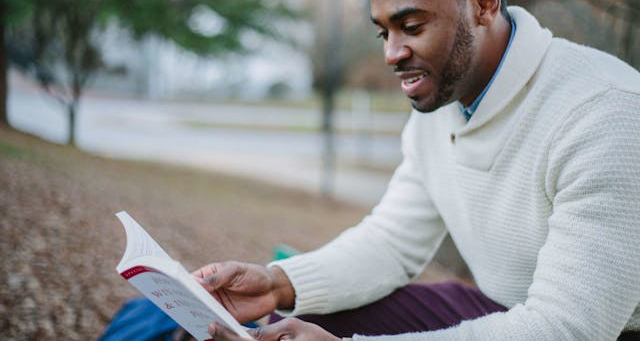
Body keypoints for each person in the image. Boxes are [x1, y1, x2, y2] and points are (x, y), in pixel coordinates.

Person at [193, 0, 640, 340]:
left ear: (484, 5)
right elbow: (391, 243)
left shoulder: (605, 114)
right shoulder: (445, 104)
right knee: (301, 318)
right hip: (505, 308)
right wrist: (277, 284)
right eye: (383, 32)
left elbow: (567, 329)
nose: (392, 53)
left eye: (411, 27)